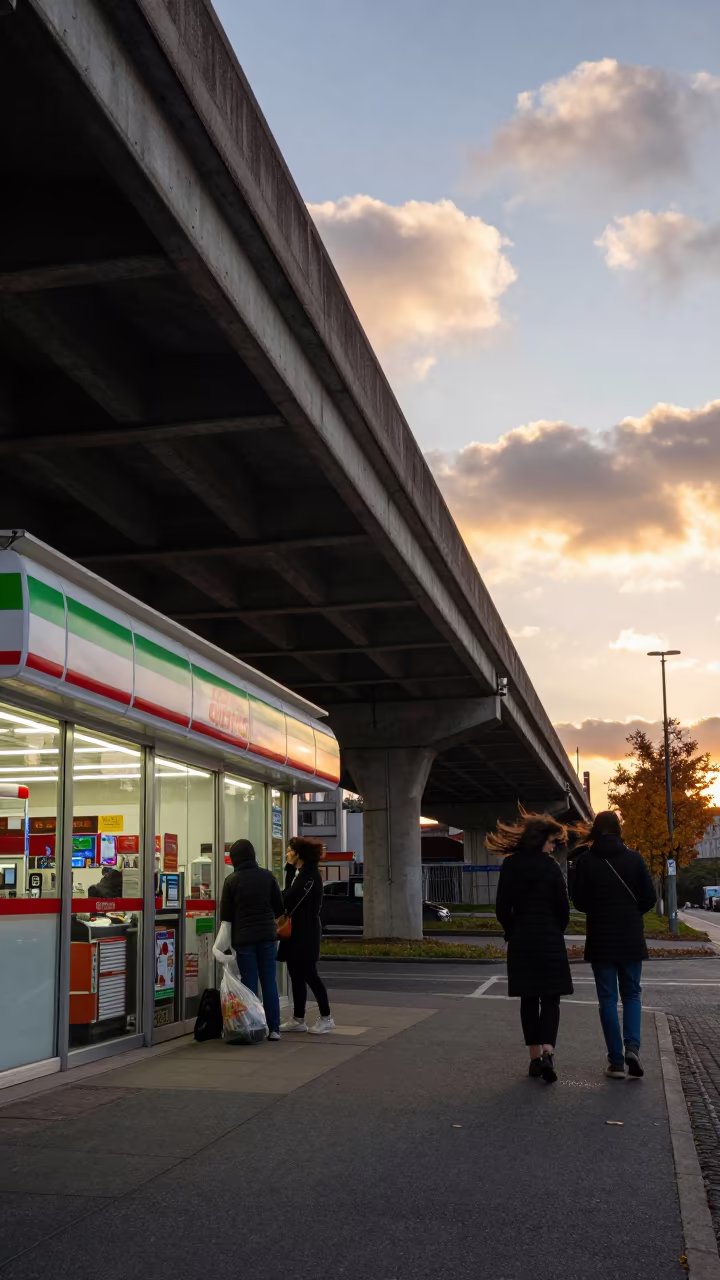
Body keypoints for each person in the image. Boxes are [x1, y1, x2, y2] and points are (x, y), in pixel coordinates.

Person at [572, 810, 656, 1079]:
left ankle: (616, 1062)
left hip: (601, 937)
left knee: (607, 999)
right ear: (619, 829)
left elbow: (579, 901)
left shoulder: (586, 862)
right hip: (630, 936)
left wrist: (600, 911)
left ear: (596, 830)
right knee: (632, 994)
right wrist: (631, 913)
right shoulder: (634, 859)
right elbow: (649, 897)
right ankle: (632, 1047)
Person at [492, 812, 573, 1084]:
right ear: (541, 841)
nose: (553, 847)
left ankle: (535, 1058)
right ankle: (549, 1051)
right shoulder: (551, 867)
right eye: (552, 842)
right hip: (549, 939)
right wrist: (555, 930)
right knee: (551, 999)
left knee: (529, 999)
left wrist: (513, 930)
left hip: (522, 941)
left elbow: (502, 907)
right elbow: (564, 908)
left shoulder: (511, 865)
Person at [219, 838, 283, 1040]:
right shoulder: (268, 877)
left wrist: (220, 946)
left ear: (234, 858)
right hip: (267, 937)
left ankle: (253, 1027)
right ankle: (274, 1029)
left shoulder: (231, 881)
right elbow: (279, 908)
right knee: (269, 983)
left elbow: (226, 917)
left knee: (248, 985)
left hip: (244, 938)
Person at [278, 836, 335, 1034]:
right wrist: (290, 870)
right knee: (295, 975)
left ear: (297, 854)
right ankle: (298, 1018)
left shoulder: (309, 876)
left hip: (307, 931)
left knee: (310, 974)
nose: (287, 854)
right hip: (297, 930)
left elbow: (288, 898)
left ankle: (326, 1018)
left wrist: (289, 870)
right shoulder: (301, 873)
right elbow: (287, 895)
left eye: (289, 850)